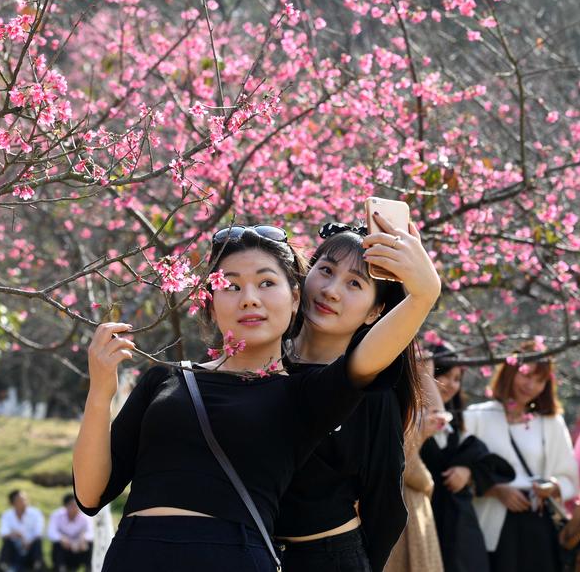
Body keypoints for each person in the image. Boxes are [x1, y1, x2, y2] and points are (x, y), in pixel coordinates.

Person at [73, 215, 441, 572]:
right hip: (135, 554)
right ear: (210, 302)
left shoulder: (302, 393)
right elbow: (90, 496)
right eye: (231, 286)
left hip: (245, 556)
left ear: (294, 297)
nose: (249, 298)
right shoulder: (165, 378)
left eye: (266, 283)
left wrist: (423, 294)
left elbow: (365, 361)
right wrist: (100, 393)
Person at [273, 223, 422, 571]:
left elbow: (385, 505)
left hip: (329, 557)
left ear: (375, 312)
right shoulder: (257, 360)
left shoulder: (372, 393)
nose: (331, 291)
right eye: (325, 271)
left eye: (355, 283)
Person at [464, 344, 579, 572]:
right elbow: (460, 470)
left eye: (540, 380)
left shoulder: (551, 422)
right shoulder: (478, 415)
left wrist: (551, 487)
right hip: (490, 520)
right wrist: (494, 489)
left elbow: (569, 479)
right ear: (510, 371)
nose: (531, 386)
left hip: (537, 522)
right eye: (526, 375)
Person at [420, 342, 515, 572]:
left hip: (456, 528)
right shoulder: (413, 417)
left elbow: (480, 459)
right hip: (423, 518)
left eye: (457, 378)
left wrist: (467, 471)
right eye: (444, 375)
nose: (451, 384)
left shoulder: (458, 422)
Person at [383, 363, 446, 572]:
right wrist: (427, 482)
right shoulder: (391, 396)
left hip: (411, 504)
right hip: (401, 503)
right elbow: (406, 464)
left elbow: (439, 415)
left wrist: (424, 370)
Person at [0, 490, 44, 572]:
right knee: (7, 542)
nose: (25, 502)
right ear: (13, 503)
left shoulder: (36, 513)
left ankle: (37, 566)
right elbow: (4, 533)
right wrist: (18, 535)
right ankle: (5, 566)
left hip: (31, 545)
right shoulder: (7, 515)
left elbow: (38, 532)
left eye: (26, 499)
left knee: (38, 542)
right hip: (15, 546)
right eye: (21, 500)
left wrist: (28, 542)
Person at [47, 495, 92, 572]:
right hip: (64, 548)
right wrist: (61, 538)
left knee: (89, 544)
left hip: (79, 548)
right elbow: (51, 533)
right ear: (65, 506)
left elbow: (91, 533)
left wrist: (83, 538)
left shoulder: (85, 516)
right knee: (57, 544)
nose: (75, 508)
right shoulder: (57, 515)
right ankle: (60, 568)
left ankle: (88, 568)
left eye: (77, 505)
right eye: (72, 505)